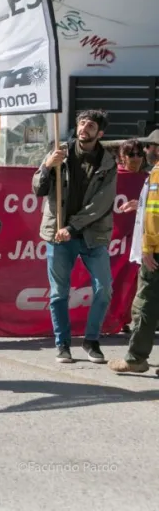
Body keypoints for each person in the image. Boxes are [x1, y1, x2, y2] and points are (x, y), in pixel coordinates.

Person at [33, 109, 117, 365]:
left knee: (104, 289)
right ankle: (63, 344)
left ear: (99, 133)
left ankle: (91, 341)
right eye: (82, 123)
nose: (84, 128)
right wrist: (48, 166)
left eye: (91, 125)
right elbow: (38, 188)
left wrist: (72, 227)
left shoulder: (107, 163)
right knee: (59, 293)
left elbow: (101, 204)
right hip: (57, 234)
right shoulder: (60, 152)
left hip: (92, 235)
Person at [108, 157, 159, 374]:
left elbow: (155, 213)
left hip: (156, 250)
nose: (147, 151)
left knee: (145, 303)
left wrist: (148, 245)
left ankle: (136, 358)